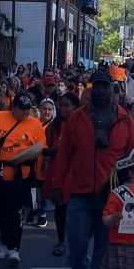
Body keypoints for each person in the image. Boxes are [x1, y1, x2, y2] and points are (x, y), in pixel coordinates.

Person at [47, 71, 134, 269]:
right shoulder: (77, 118)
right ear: (90, 90)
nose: (100, 91)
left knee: (102, 248)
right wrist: (57, 185)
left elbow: (132, 159)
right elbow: (65, 153)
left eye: (105, 87)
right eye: (96, 87)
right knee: (75, 246)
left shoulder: (125, 120)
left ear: (113, 91)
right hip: (79, 193)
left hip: (111, 196)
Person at [0, 94, 46, 267]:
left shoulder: (34, 123)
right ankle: (4, 242)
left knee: (16, 210)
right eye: (21, 109)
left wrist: (26, 155)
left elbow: (40, 147)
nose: (25, 112)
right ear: (14, 107)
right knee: (2, 209)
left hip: (22, 174)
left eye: (28, 109)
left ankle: (14, 247)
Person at [44, 93, 80, 257]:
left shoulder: (81, 125)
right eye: (61, 105)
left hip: (76, 171)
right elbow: (47, 147)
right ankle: (61, 240)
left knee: (74, 208)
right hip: (57, 169)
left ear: (74, 107)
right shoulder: (53, 126)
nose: (63, 108)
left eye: (67, 105)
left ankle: (74, 241)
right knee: (60, 207)